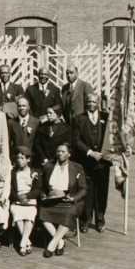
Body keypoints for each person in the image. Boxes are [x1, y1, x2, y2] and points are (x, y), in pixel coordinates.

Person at [39, 144, 87, 258]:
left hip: (69, 200)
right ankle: (60, 242)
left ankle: (52, 244)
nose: (59, 153)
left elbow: (83, 189)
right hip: (52, 199)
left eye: (63, 151)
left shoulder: (77, 167)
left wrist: (73, 198)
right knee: (42, 212)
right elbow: (41, 187)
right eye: (58, 151)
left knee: (69, 213)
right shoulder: (48, 167)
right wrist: (43, 195)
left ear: (69, 154)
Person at [71, 95, 109, 232]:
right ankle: (85, 219)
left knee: (101, 191)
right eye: (89, 101)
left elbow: (112, 136)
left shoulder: (106, 117)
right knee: (87, 190)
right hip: (86, 161)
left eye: (94, 101)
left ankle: (100, 219)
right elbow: (76, 140)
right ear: (86, 103)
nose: (91, 104)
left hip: (103, 162)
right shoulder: (79, 119)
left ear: (98, 103)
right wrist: (90, 152)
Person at [10, 147, 41, 256]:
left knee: (30, 215)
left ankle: (22, 243)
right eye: (18, 158)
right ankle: (27, 242)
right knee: (17, 214)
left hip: (29, 200)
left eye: (22, 158)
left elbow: (37, 190)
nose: (19, 160)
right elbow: (11, 189)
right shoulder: (13, 172)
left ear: (28, 160)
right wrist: (18, 197)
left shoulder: (34, 172)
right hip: (17, 200)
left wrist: (27, 195)